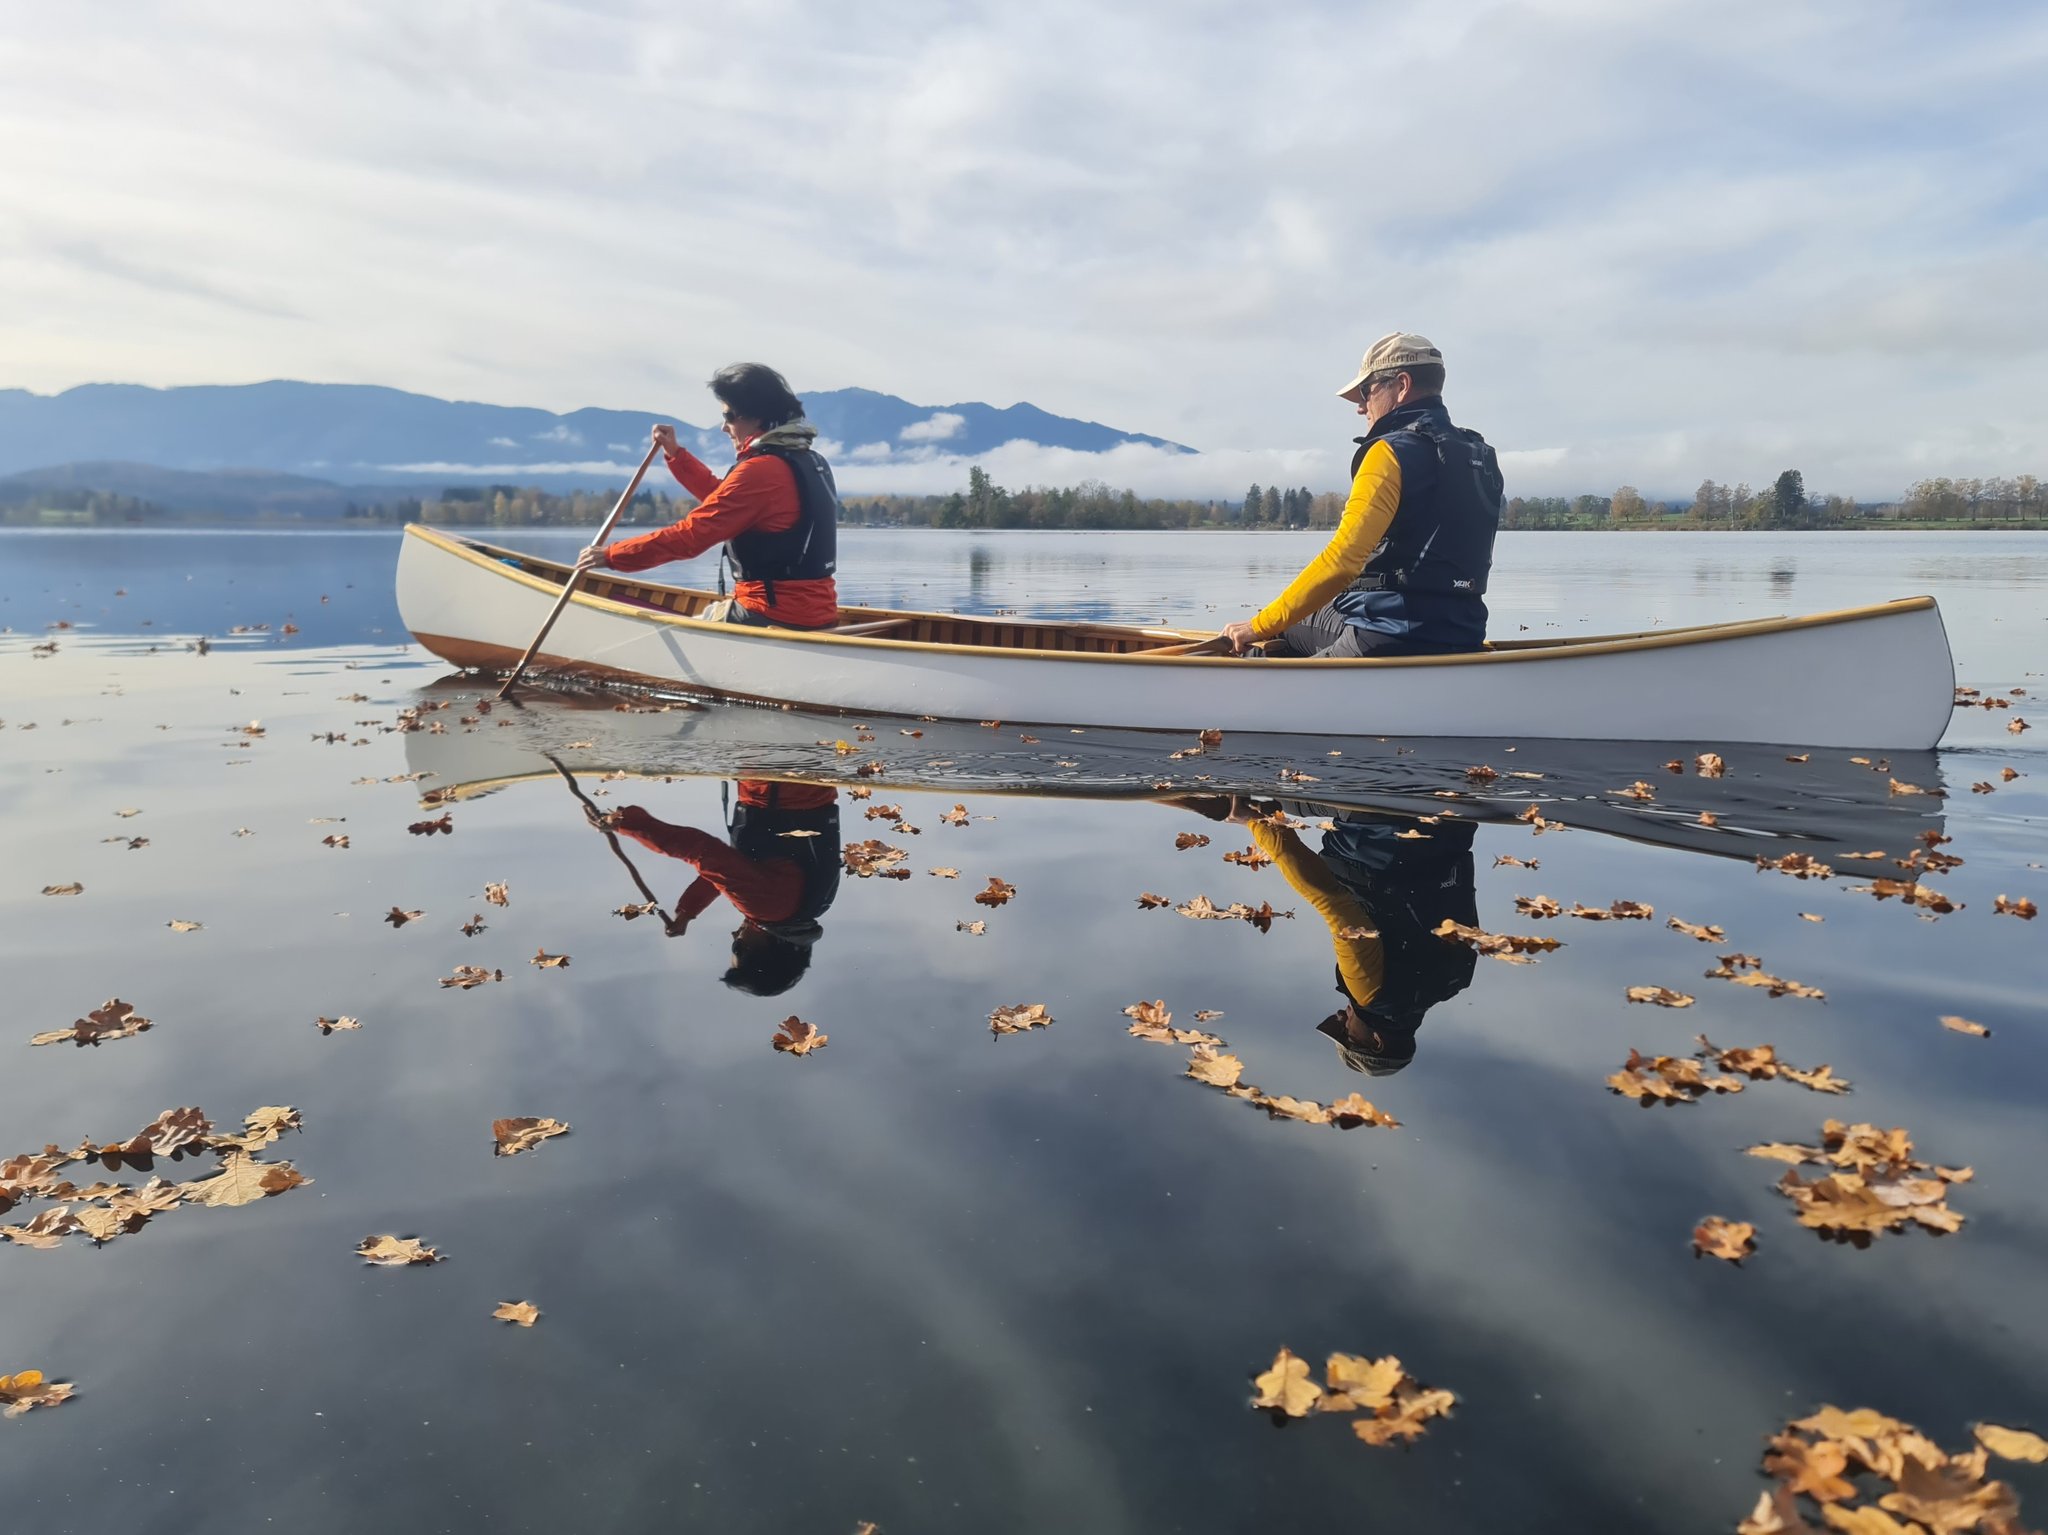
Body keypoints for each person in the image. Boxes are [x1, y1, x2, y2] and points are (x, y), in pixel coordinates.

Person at [1221, 333, 1504, 658]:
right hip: (1464, 634)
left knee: (1278, 627)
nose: (1360, 407)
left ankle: (1252, 676)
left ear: (1402, 385)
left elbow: (1342, 561)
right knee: (1299, 621)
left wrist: (1257, 626)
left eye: (1366, 391)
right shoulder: (1481, 456)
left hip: (1386, 637)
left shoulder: (1389, 452)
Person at [574, 363, 840, 630]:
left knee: (693, 620)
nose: (724, 427)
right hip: (820, 613)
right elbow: (724, 501)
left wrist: (611, 555)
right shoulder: (810, 460)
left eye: (730, 416)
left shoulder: (762, 470)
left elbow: (690, 537)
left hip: (771, 614)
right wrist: (677, 456)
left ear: (758, 417)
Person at [602, 780, 841, 997]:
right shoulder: (768, 908)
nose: (734, 935)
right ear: (762, 948)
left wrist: (687, 912)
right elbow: (702, 851)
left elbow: (728, 875)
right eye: (738, 946)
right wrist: (630, 824)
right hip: (773, 784)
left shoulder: (807, 908)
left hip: (814, 786)